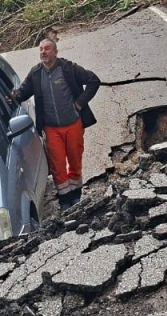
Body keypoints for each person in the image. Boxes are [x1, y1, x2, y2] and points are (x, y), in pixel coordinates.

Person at [10, 38, 100, 210]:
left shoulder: (68, 68)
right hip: (51, 129)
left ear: (55, 52)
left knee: (75, 161)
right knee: (58, 165)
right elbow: (22, 93)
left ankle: (76, 196)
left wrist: (79, 104)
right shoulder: (36, 73)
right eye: (41, 49)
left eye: (47, 48)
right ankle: (65, 200)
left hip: (73, 124)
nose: (43, 52)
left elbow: (93, 81)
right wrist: (11, 97)